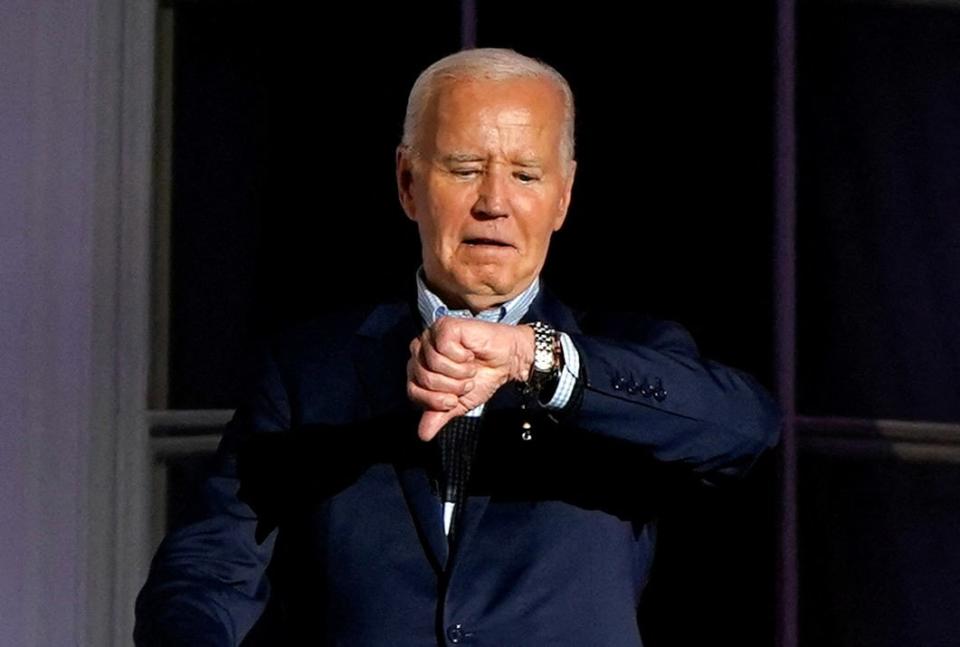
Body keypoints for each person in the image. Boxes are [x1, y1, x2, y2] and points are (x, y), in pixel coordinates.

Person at [135, 47, 780, 646]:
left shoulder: (632, 353)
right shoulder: (308, 370)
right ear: (408, 183)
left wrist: (535, 358)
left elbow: (745, 426)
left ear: (564, 196)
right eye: (465, 169)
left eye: (526, 175)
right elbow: (209, 569)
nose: (494, 203)